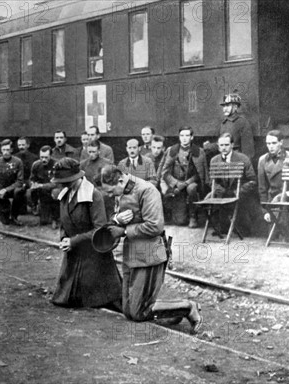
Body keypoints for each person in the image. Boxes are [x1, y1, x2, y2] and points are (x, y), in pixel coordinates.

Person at [99, 165, 203, 334]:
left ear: (120, 180)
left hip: (150, 254)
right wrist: (116, 219)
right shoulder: (122, 190)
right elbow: (116, 217)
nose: (111, 196)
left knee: (137, 312)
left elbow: (155, 226)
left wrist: (125, 231)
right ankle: (172, 312)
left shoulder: (147, 190)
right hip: (131, 254)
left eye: (111, 192)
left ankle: (188, 307)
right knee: (128, 311)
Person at [50, 158, 122, 309]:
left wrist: (73, 241)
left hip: (94, 259)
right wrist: (64, 238)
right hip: (73, 257)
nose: (63, 184)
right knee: (67, 300)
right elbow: (64, 222)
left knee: (102, 302)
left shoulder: (93, 195)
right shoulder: (64, 194)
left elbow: (100, 229)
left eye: (67, 181)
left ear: (77, 178)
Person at [207, 133, 260, 235]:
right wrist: (220, 190)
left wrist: (238, 191)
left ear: (232, 145)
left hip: (240, 193)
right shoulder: (214, 160)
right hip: (222, 193)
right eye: (221, 145)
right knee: (215, 197)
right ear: (218, 146)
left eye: (226, 145)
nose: (224, 148)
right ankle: (223, 227)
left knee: (243, 225)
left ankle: (241, 227)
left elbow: (252, 180)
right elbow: (211, 181)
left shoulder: (243, 158)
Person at [161, 126, 207, 228]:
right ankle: (183, 214)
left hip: (192, 183)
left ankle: (193, 216)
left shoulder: (199, 151)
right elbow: (165, 172)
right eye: (182, 135)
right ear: (179, 137)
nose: (184, 138)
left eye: (187, 135)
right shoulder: (172, 150)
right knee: (180, 221)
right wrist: (177, 183)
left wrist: (186, 183)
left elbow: (200, 173)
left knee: (191, 189)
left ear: (192, 137)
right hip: (177, 185)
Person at [204, 93, 255, 162]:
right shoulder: (223, 123)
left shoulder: (242, 122)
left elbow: (248, 150)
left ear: (235, 107)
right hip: (224, 159)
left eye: (227, 106)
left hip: (237, 161)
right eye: (223, 106)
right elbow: (221, 144)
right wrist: (210, 146)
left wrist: (244, 165)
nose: (224, 109)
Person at [0, 139, 24, 225]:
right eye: (3, 150)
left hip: (12, 189)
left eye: (7, 150)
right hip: (0, 190)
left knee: (19, 191)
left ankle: (14, 216)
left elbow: (20, 181)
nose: (5, 152)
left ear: (11, 150)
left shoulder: (18, 162)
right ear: (1, 150)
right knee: (5, 221)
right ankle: (3, 212)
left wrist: (7, 189)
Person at [28, 145, 59, 228]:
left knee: (55, 193)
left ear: (51, 156)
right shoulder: (36, 165)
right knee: (29, 193)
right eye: (41, 157)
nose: (43, 160)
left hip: (53, 189)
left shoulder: (57, 165)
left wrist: (41, 185)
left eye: (46, 157)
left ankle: (55, 219)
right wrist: (33, 184)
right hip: (41, 190)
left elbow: (56, 183)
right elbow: (31, 179)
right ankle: (36, 208)